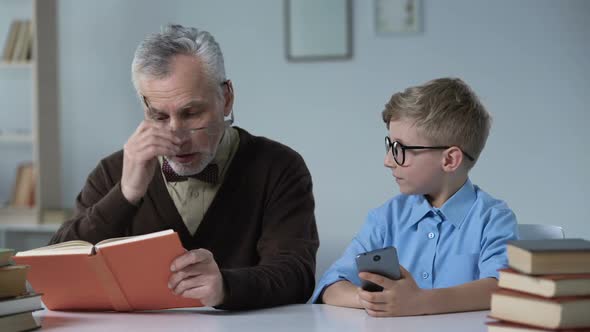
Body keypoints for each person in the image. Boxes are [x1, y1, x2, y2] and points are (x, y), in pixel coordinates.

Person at [50, 24, 319, 310]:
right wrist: (125, 195)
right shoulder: (113, 170)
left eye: (191, 113)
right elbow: (55, 271)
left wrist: (226, 287)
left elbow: (297, 275)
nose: (176, 137)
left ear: (226, 98)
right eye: (159, 116)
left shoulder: (279, 166)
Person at [311, 78, 518, 316]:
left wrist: (421, 302)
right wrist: (376, 299)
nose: (388, 161)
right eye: (389, 146)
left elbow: (502, 287)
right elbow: (331, 285)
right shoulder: (386, 218)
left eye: (401, 149)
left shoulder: (493, 219)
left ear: (450, 160)